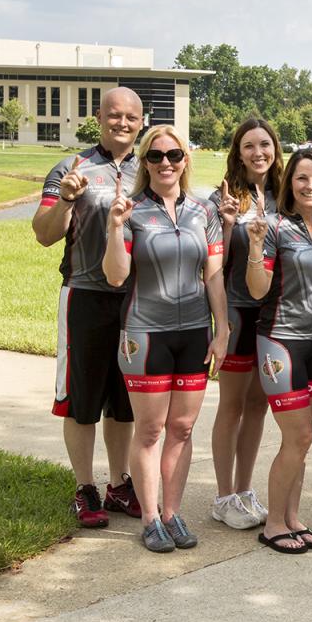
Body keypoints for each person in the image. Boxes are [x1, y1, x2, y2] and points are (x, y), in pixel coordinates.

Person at [102, 125, 228, 552]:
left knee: (182, 427)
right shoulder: (131, 210)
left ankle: (173, 513)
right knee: (152, 429)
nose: (166, 164)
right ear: (145, 163)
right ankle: (151, 517)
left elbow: (213, 275)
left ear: (185, 159)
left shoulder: (203, 211)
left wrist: (222, 329)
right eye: (155, 157)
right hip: (145, 334)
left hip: (194, 333)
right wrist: (114, 226)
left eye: (174, 155)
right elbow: (116, 274)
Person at [32, 87, 144, 528]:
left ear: (141, 121)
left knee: (124, 400)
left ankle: (120, 483)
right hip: (85, 295)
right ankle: (85, 487)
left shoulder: (152, 165)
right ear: (99, 118)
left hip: (138, 301)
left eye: (130, 117)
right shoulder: (73, 167)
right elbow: (43, 234)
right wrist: (65, 200)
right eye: (114, 115)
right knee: (82, 400)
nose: (122, 123)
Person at [245, 148, 312, 554]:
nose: (311, 186)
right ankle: (273, 524)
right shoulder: (272, 227)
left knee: (302, 441)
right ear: (290, 184)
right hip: (280, 343)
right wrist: (254, 247)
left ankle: (293, 518)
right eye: (302, 178)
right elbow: (257, 290)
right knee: (298, 436)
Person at [208, 118, 283, 530]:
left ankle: (244, 489)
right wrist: (227, 223)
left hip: (272, 316)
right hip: (237, 313)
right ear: (238, 152)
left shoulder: (283, 197)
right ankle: (223, 496)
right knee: (232, 406)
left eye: (265, 145)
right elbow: (213, 266)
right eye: (250, 146)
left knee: (258, 406)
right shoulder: (224, 198)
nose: (259, 153)